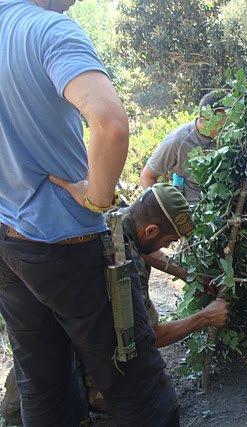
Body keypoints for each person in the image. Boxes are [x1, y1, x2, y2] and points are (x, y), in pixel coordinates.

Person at [0, 0, 179, 425]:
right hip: (67, 241)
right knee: (133, 378)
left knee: (43, 382)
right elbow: (111, 125)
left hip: (7, 244)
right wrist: (96, 197)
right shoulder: (48, 31)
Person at [1, 184, 230, 424]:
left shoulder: (113, 214)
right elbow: (151, 336)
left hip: (13, 247)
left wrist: (185, 274)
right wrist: (206, 317)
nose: (165, 249)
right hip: (73, 355)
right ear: (151, 230)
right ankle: (90, 396)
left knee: (40, 365)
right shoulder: (124, 262)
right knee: (142, 385)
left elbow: (142, 246)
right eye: (168, 241)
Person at [140, 91, 226, 204]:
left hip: (223, 201)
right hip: (190, 207)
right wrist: (161, 208)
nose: (227, 125)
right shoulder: (177, 141)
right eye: (222, 121)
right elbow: (147, 176)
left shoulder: (228, 136)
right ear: (205, 119)